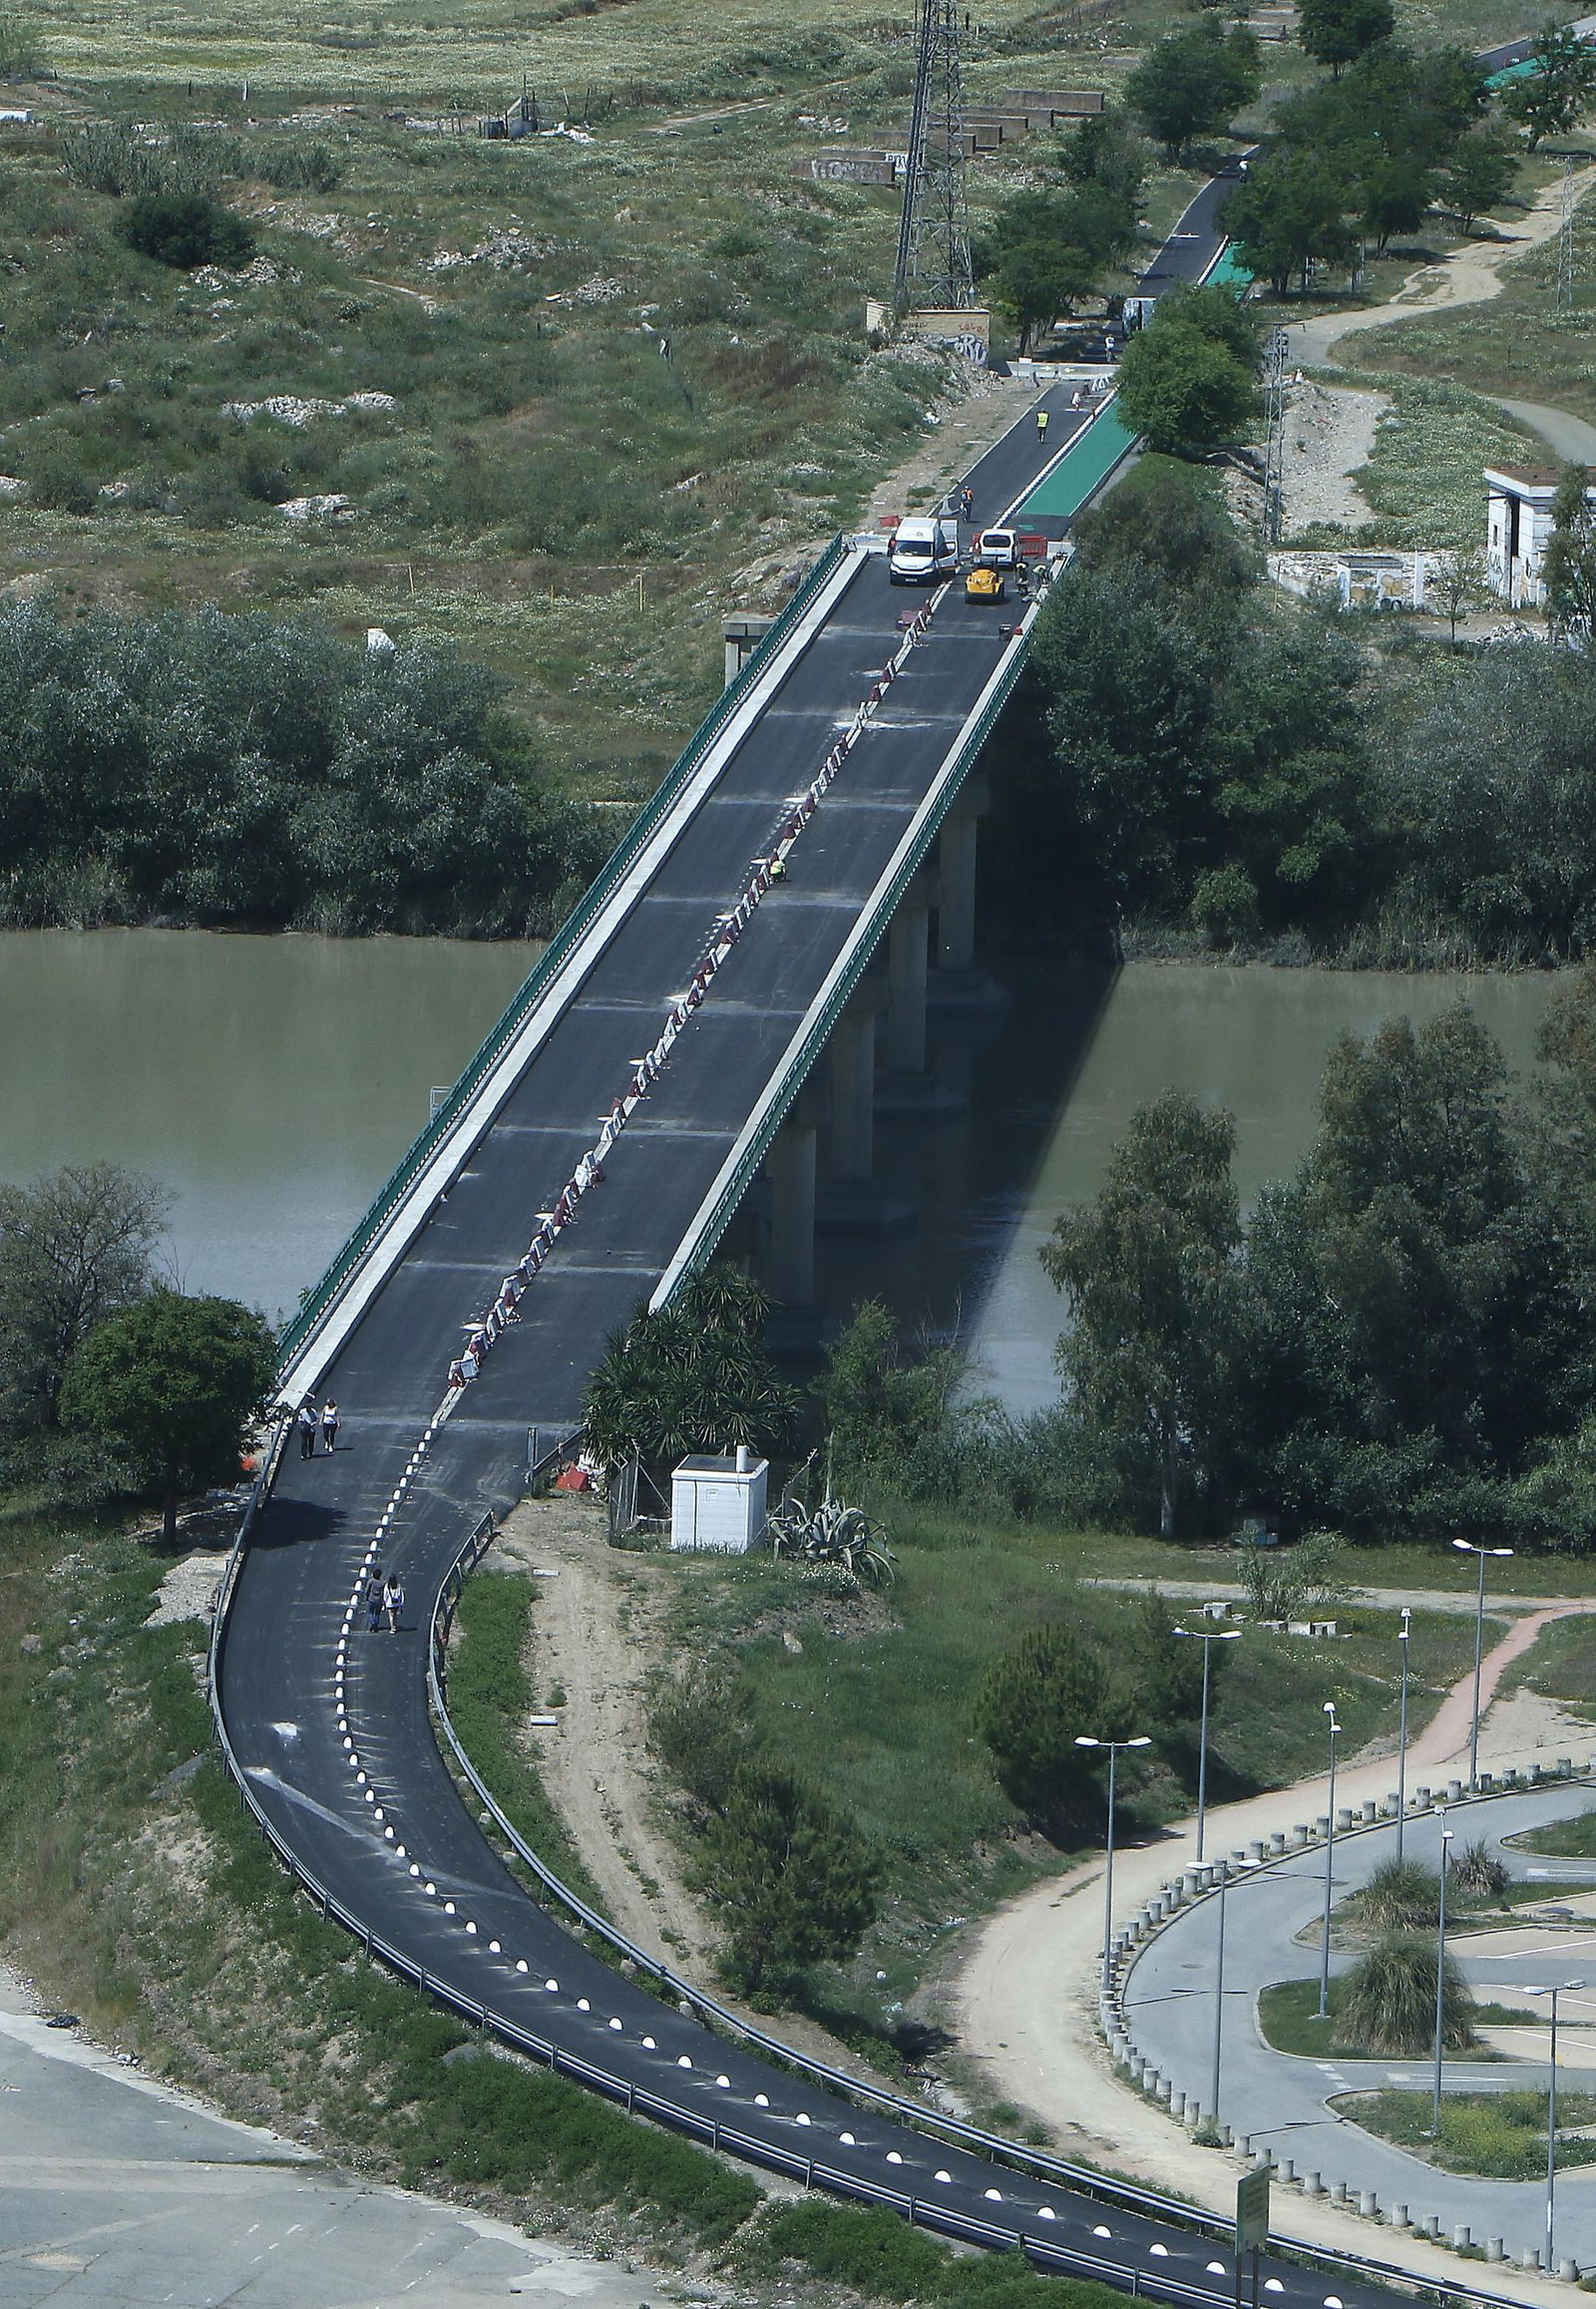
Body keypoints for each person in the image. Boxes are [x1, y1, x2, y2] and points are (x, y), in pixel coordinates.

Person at [366, 1567, 385, 1633]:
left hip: (371, 1599)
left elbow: (367, 1590)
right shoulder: (382, 1583)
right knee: (377, 1613)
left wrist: (367, 1596)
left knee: (370, 1612)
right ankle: (376, 1625)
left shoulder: (371, 1581)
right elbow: (384, 1592)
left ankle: (372, 1623)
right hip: (379, 1600)